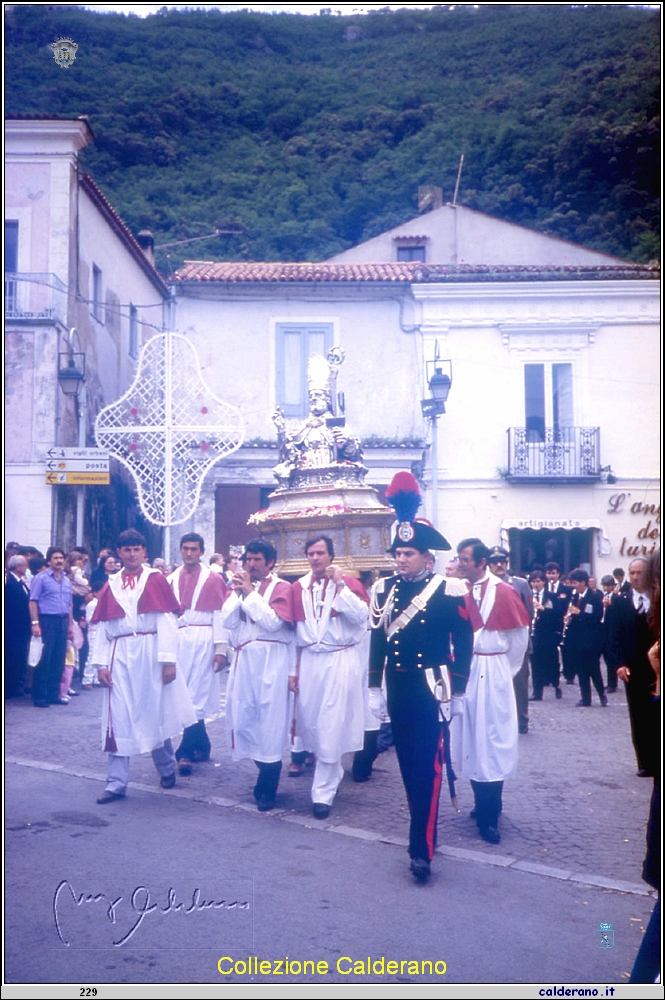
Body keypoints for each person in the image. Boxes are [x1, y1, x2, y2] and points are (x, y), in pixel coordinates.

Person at [369, 472, 473, 882]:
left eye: (408, 554)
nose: (400, 560)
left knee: (428, 766)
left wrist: (459, 689)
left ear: (427, 558)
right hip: (397, 686)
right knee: (408, 767)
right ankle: (423, 832)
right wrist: (373, 687)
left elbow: (463, 640)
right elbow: (378, 639)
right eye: (398, 553)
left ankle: (422, 849)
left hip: (433, 686)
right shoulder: (383, 590)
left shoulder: (447, 589)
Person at [91, 529, 197, 803]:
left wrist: (168, 661)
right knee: (118, 718)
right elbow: (102, 627)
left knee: (155, 712)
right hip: (120, 655)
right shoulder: (110, 583)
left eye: (136, 548)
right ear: (119, 553)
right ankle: (116, 783)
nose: (131, 553)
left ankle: (166, 768)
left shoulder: (155, 579)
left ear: (144, 552)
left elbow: (166, 621)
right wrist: (100, 663)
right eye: (126, 549)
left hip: (150, 653)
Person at [453, 538, 530, 845]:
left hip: (494, 669)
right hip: (467, 670)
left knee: (493, 740)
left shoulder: (505, 592)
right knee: (471, 736)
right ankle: (479, 802)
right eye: (459, 559)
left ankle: (491, 811)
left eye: (466, 560)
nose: (460, 564)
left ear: (481, 562)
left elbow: (519, 640)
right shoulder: (457, 590)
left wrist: (501, 672)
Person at [290, 535, 369, 819]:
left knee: (332, 721)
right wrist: (293, 670)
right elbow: (293, 635)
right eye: (310, 553)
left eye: (320, 553)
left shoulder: (348, 584)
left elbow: (362, 617)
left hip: (338, 659)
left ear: (331, 556)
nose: (315, 558)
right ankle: (332, 770)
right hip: (310, 660)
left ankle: (322, 792)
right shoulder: (298, 587)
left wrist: (339, 585)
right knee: (312, 722)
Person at [221, 539, 294, 811]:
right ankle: (262, 769)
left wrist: (251, 594)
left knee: (270, 722)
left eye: (257, 560)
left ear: (270, 562)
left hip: (272, 660)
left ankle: (267, 786)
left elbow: (274, 622)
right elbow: (227, 621)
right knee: (244, 720)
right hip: (244, 660)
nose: (251, 564)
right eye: (248, 559)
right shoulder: (239, 588)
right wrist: (240, 594)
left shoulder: (281, 587)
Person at [168, 533, 229, 775]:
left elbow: (219, 614)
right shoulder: (171, 578)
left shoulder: (213, 579)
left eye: (194, 549)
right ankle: (201, 744)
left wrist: (220, 648)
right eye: (185, 549)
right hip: (180, 639)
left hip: (204, 639)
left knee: (198, 694)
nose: (189, 553)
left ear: (201, 551)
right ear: (180, 551)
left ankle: (183, 752)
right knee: (184, 693)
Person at [612, 557, 658, 776]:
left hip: (656, 667)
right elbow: (614, 636)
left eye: (640, 573)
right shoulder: (620, 603)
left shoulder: (657, 600)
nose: (636, 577)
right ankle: (645, 762)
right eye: (632, 573)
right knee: (638, 714)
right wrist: (619, 664)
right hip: (632, 668)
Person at [487, 546, 533, 734]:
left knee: (519, 682)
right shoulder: (485, 584)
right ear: (489, 564)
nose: (499, 565)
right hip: (495, 643)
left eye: (503, 562)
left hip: (517, 642)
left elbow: (529, 613)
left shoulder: (519, 584)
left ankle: (522, 719)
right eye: (495, 562)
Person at [28, 547, 73, 707]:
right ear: (49, 561)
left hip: (62, 621)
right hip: (46, 620)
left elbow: (69, 605)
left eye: (61, 558)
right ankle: (40, 695)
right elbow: (33, 601)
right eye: (55, 558)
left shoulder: (67, 580)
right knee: (44, 658)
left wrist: (70, 625)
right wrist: (35, 623)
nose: (59, 561)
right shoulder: (41, 578)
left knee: (58, 658)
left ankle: (53, 694)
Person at [562, 569, 606, 708]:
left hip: (591, 640)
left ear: (583, 582)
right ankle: (585, 698)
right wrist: (568, 618)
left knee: (594, 669)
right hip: (577, 639)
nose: (573, 586)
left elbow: (596, 617)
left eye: (575, 583)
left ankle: (601, 695)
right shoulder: (574, 597)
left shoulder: (594, 596)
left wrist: (579, 613)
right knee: (581, 670)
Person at [528, 570, 562, 700]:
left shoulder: (551, 596)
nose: (536, 584)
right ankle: (537, 692)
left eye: (538, 581)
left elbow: (558, 613)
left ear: (543, 582)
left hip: (548, 635)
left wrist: (544, 609)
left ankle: (556, 685)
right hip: (534, 634)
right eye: (533, 582)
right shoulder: (528, 595)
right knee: (535, 663)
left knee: (552, 662)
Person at [5, 554, 31, 698]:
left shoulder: (23, 582)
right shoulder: (8, 581)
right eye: (24, 564)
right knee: (11, 656)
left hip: (22, 626)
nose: (26, 567)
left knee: (19, 655)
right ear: (17, 566)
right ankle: (9, 687)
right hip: (12, 625)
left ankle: (15, 685)